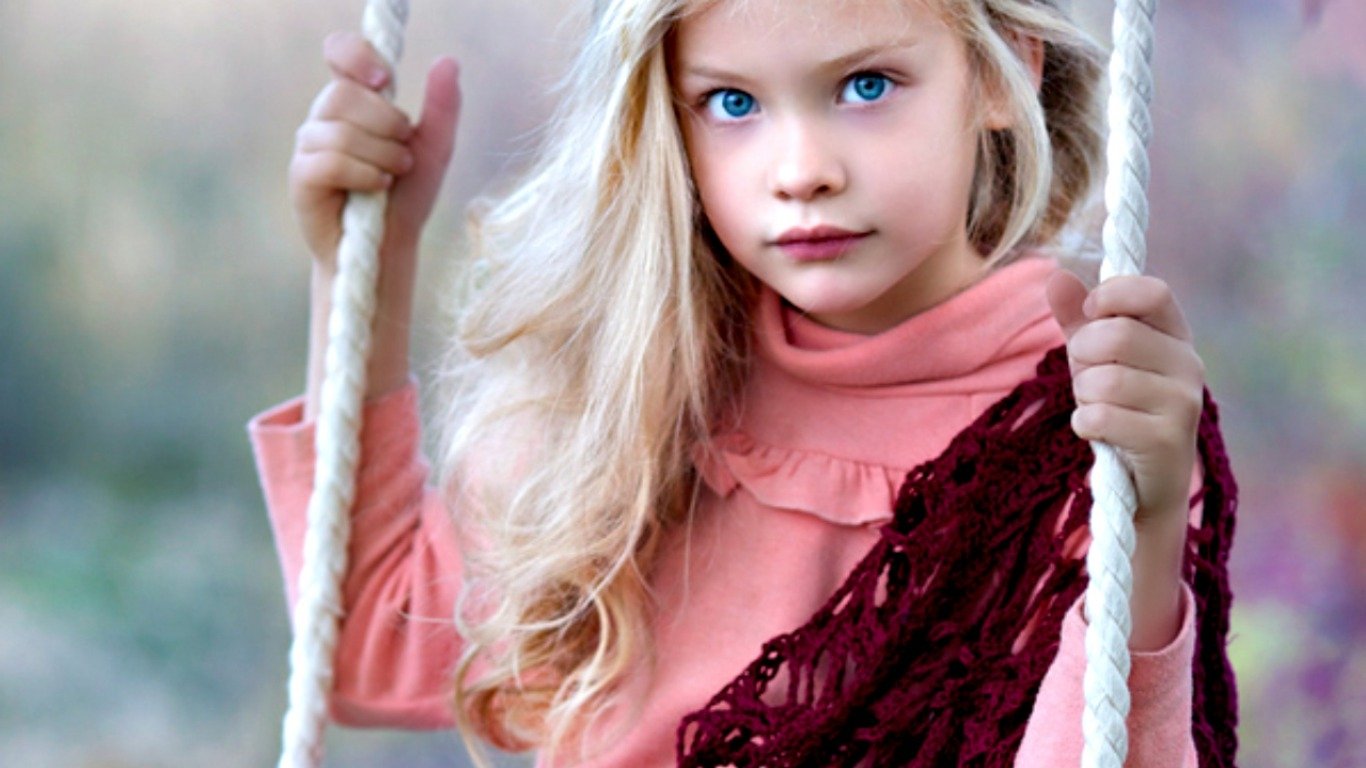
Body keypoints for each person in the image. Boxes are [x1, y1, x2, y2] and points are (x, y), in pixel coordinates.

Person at [252, 0, 1223, 765]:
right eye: (732, 104)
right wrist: (362, 269)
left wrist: (1138, 535)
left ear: (1006, 69)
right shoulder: (646, 380)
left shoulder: (1089, 415)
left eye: (867, 85)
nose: (799, 170)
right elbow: (373, 644)